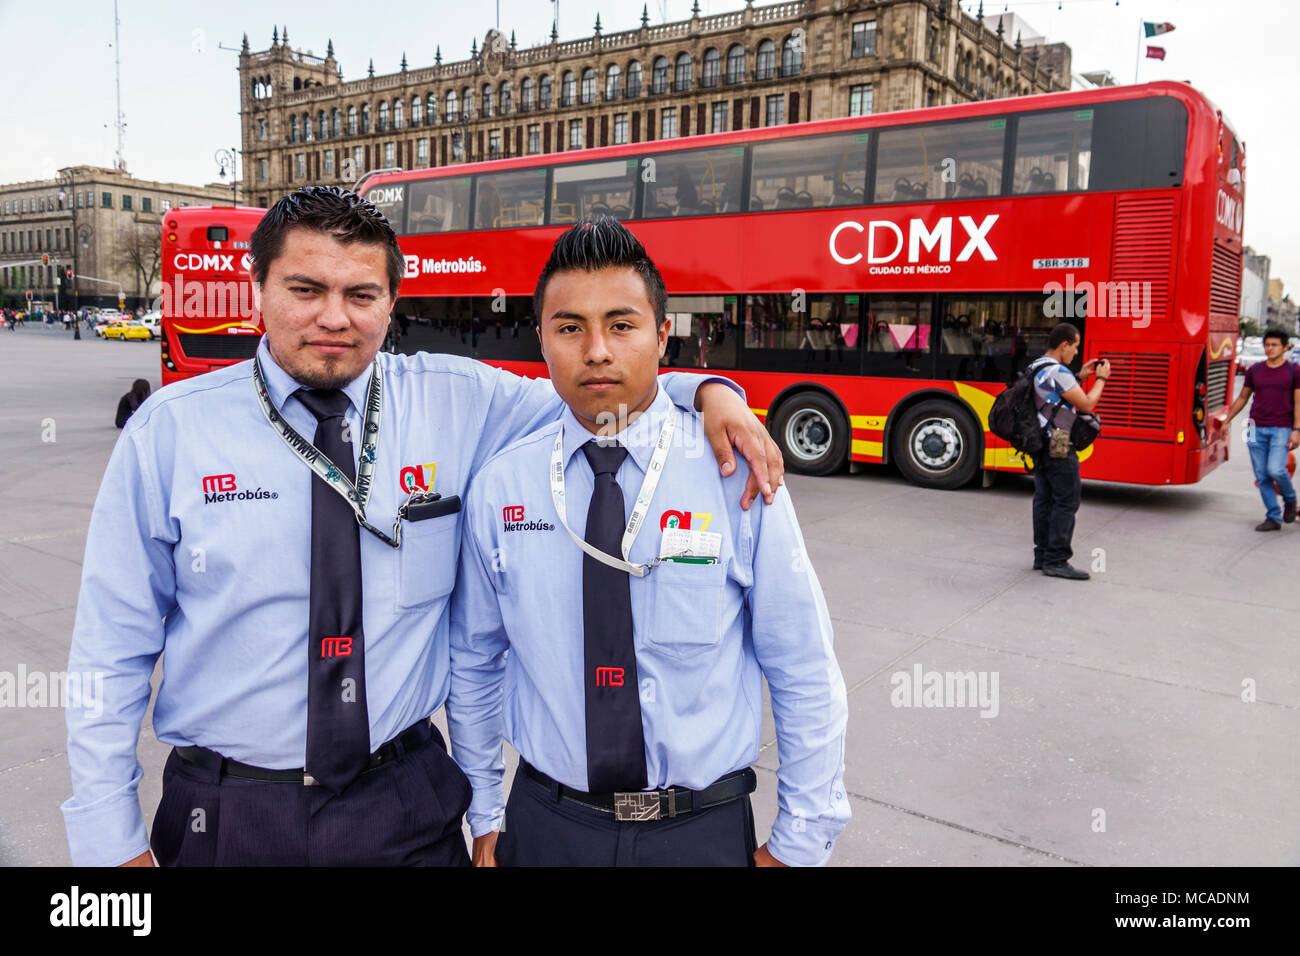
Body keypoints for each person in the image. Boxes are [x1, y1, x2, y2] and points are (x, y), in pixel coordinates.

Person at [62, 186, 783, 868]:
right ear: (259, 293)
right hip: (227, 812)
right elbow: (109, 647)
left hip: (403, 805)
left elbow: (596, 379)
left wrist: (713, 391)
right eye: (305, 289)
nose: (334, 316)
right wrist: (108, 837)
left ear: (392, 302)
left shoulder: (458, 400)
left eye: (361, 294)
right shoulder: (172, 432)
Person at [449, 218, 849, 867]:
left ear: (664, 335)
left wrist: (800, 839)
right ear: (542, 339)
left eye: (622, 324)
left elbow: (801, 661)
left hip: (698, 831)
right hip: (548, 825)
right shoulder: (503, 487)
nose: (598, 350)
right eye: (570, 327)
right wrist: (485, 809)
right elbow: (474, 661)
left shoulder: (734, 473)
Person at [1027, 322, 1109, 580]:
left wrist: (1081, 377)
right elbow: (1086, 405)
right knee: (1066, 501)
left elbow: (1054, 395)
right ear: (1064, 345)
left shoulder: (1036, 366)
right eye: (1074, 347)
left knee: (1044, 499)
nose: (1076, 353)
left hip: (1039, 442)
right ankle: (1057, 560)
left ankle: (1042, 556)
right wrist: (1101, 379)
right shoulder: (1058, 371)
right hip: (1059, 441)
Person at [1221, 327, 1300, 530]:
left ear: (1285, 347)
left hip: (1281, 428)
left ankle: (1290, 499)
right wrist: (1227, 419)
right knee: (1261, 474)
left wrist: (1297, 429)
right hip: (1255, 427)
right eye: (1267, 345)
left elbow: (1299, 403)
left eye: (1274, 345)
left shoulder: (1294, 370)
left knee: (1276, 470)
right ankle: (1273, 517)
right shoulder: (1255, 370)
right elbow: (1242, 398)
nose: (1270, 349)